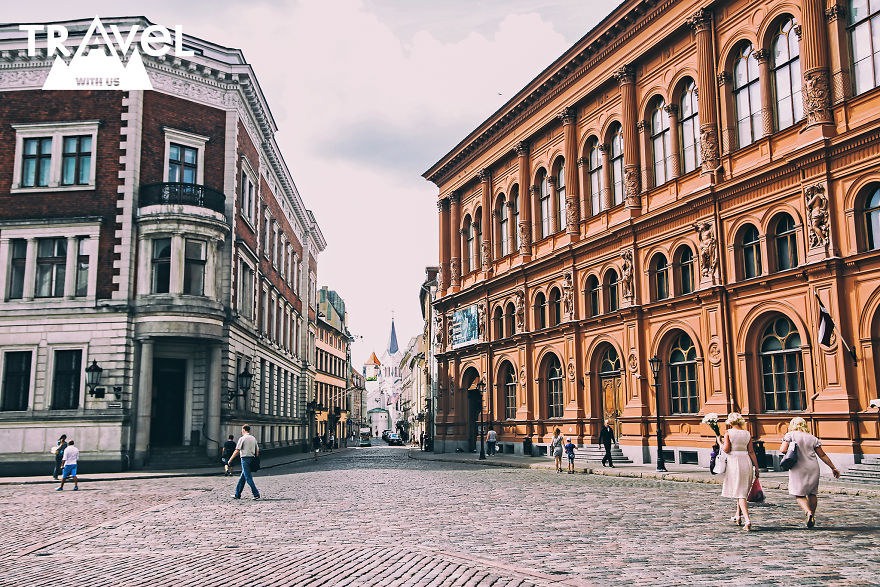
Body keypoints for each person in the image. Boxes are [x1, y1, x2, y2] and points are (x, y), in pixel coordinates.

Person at [779, 417, 841, 528]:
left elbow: (783, 450)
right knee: (812, 493)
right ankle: (812, 515)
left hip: (798, 467)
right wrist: (833, 467)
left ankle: (808, 512)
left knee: (799, 493)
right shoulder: (812, 438)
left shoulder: (790, 435)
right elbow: (822, 455)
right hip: (813, 467)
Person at [717, 413, 760, 531]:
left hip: (734, 462)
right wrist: (756, 467)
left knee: (740, 493)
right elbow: (751, 451)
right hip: (746, 461)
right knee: (740, 490)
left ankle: (747, 520)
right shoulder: (747, 433)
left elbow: (726, 449)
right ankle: (738, 516)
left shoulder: (728, 433)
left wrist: (719, 442)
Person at [226, 425, 260, 500]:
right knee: (242, 477)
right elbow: (257, 450)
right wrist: (256, 459)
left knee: (248, 477)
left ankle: (256, 494)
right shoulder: (253, 438)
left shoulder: (242, 438)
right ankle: (237, 494)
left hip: (245, 459)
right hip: (252, 458)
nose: (241, 431)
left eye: (242, 430)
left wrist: (230, 459)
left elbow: (237, 450)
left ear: (244, 430)